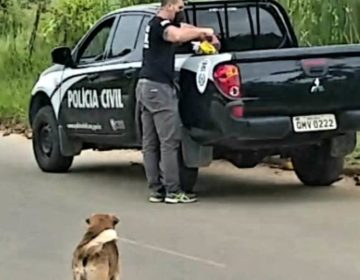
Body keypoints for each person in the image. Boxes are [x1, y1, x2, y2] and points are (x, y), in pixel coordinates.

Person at [135, 0, 215, 204]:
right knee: (169, 142)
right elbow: (177, 34)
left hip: (145, 86)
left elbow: (183, 30)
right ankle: (172, 191)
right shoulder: (160, 26)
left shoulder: (153, 24)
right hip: (159, 88)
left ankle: (156, 190)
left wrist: (201, 36)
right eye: (180, 7)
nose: (182, 11)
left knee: (150, 143)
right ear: (169, 5)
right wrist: (204, 30)